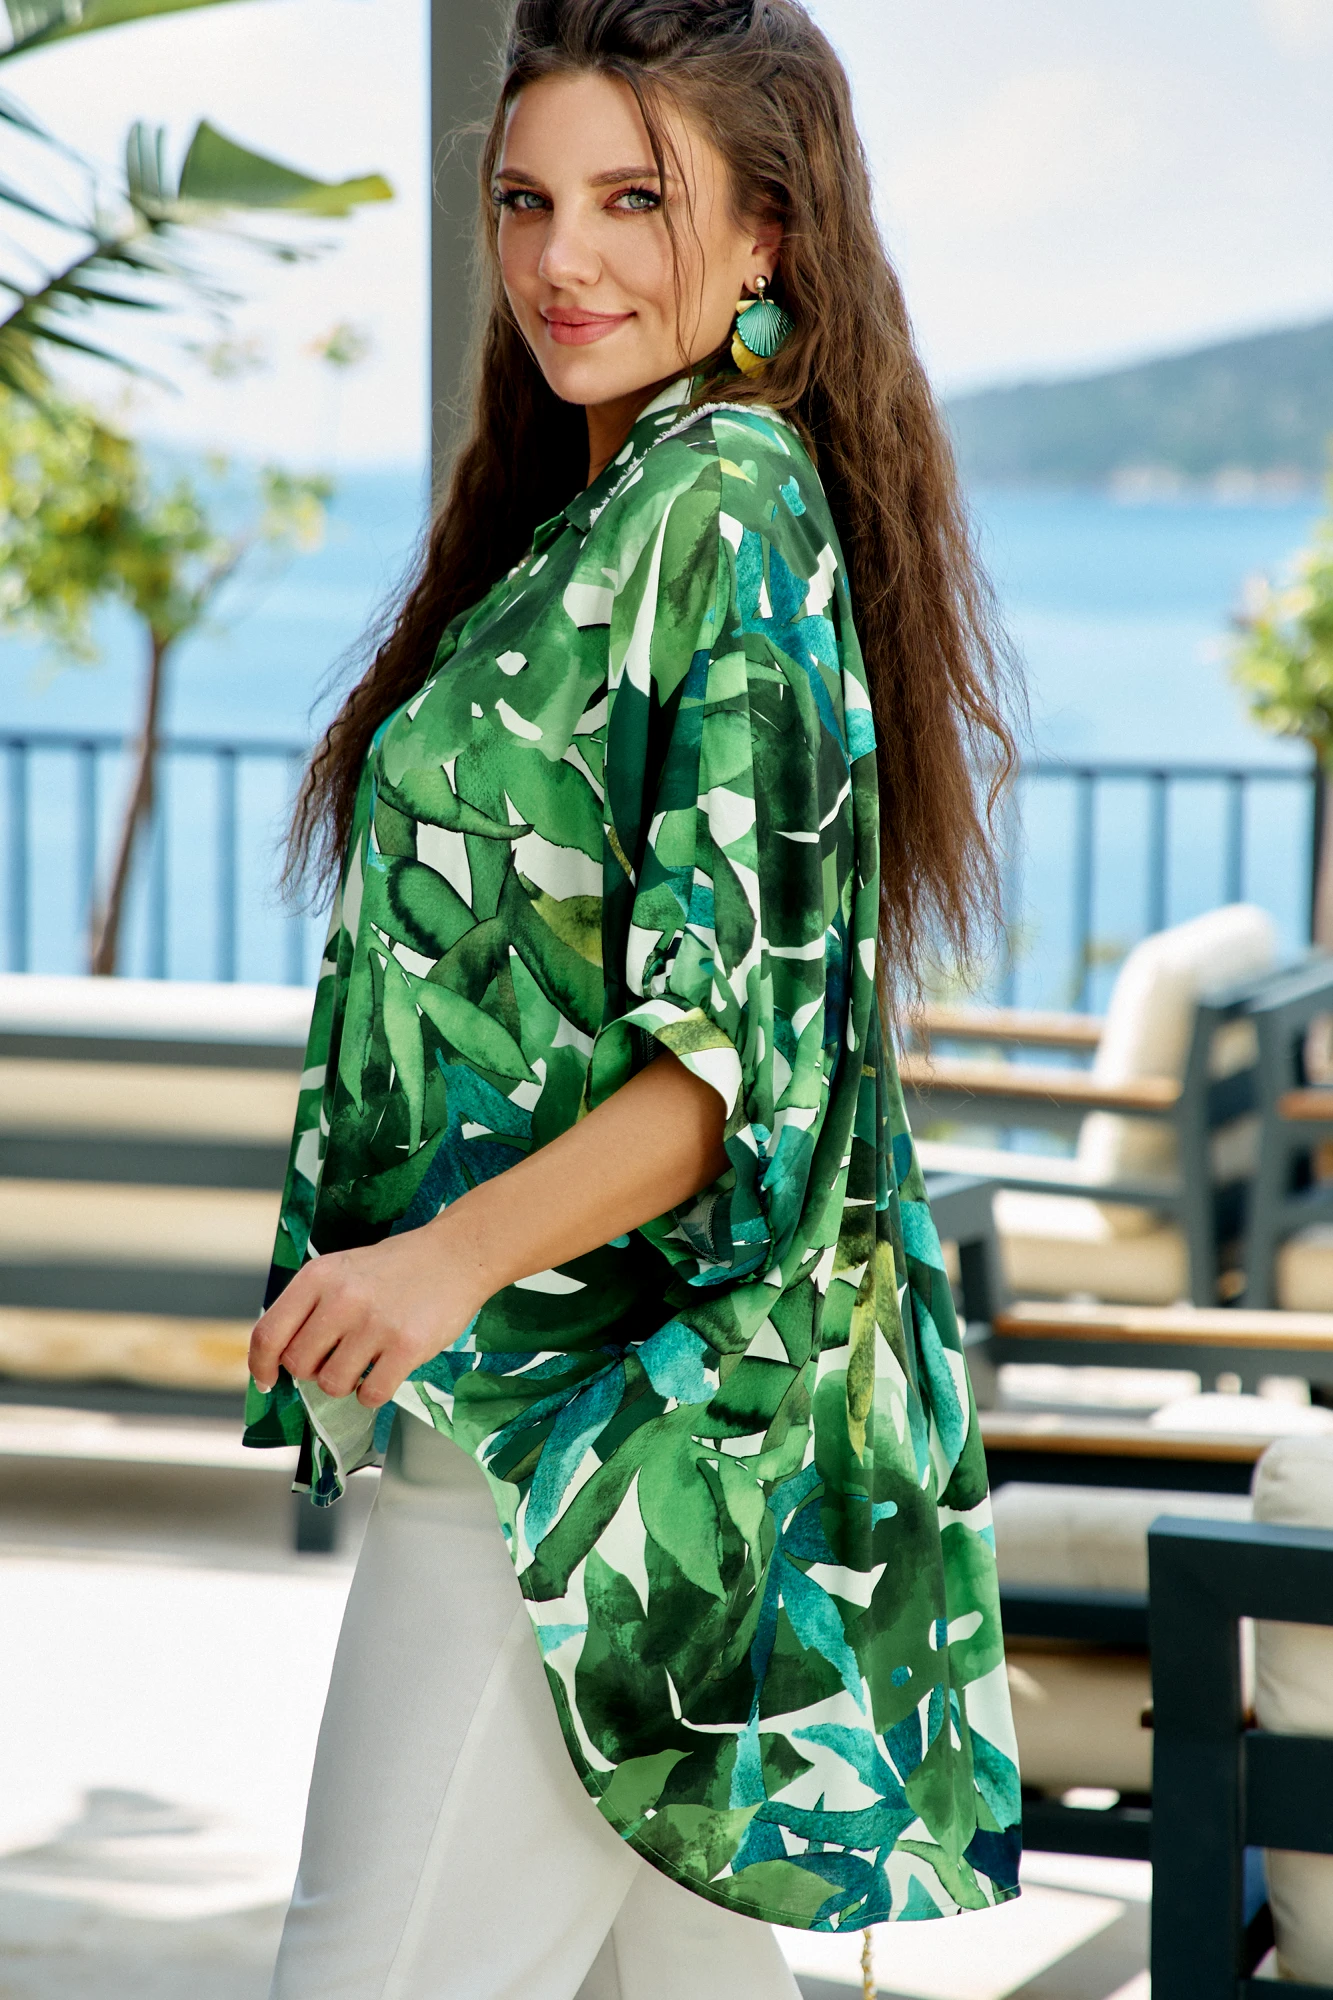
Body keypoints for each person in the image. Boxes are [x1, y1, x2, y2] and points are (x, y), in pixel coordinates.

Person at [245, 3, 1023, 1995]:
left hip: (589, 1437)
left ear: (767, 234)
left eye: (631, 200)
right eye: (526, 201)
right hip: (623, 1416)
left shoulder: (721, 509)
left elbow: (725, 1066)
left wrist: (436, 1262)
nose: (561, 260)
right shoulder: (607, 517)